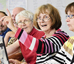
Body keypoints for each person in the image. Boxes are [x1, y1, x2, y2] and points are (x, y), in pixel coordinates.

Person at [1, 4, 69, 64]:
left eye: (45, 17)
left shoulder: (61, 36)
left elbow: (41, 46)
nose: (41, 21)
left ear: (54, 18)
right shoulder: (44, 38)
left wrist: (12, 27)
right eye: (39, 18)